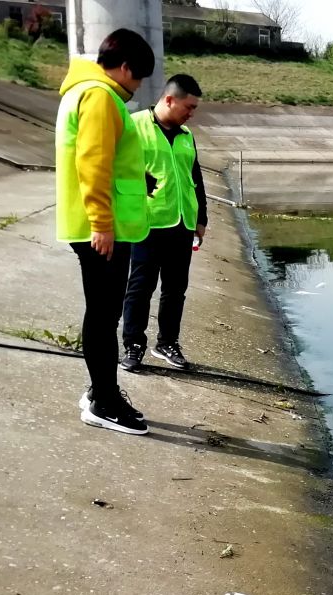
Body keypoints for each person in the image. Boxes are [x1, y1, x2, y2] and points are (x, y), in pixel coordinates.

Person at [56, 28, 154, 435]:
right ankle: (104, 402)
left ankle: (101, 390)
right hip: (100, 229)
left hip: (100, 224)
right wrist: (101, 224)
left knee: (102, 312)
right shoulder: (99, 95)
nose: (138, 86)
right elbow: (92, 163)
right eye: (139, 77)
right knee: (103, 315)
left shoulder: (85, 91)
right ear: (126, 67)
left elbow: (106, 160)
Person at [120, 74, 208, 372]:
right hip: (146, 222)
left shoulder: (186, 135)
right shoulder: (134, 126)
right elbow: (117, 171)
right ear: (169, 100)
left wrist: (201, 219)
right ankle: (133, 344)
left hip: (182, 223)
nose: (191, 114)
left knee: (175, 289)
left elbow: (195, 177)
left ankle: (168, 343)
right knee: (140, 287)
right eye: (189, 107)